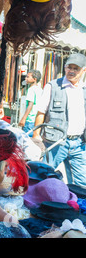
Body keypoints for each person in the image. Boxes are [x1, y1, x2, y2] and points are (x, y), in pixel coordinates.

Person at [33, 53, 86, 187]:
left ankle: (78, 206)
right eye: (69, 67)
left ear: (83, 70)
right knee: (44, 176)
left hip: (79, 143)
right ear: (65, 67)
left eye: (76, 69)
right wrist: (36, 136)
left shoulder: (83, 89)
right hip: (56, 141)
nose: (71, 71)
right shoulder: (52, 86)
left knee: (81, 183)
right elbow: (41, 112)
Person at [18, 69, 43, 135]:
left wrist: (23, 118)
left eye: (28, 77)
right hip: (36, 120)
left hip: (29, 120)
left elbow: (30, 105)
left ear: (34, 79)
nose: (26, 78)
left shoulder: (31, 90)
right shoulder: (40, 89)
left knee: (27, 140)